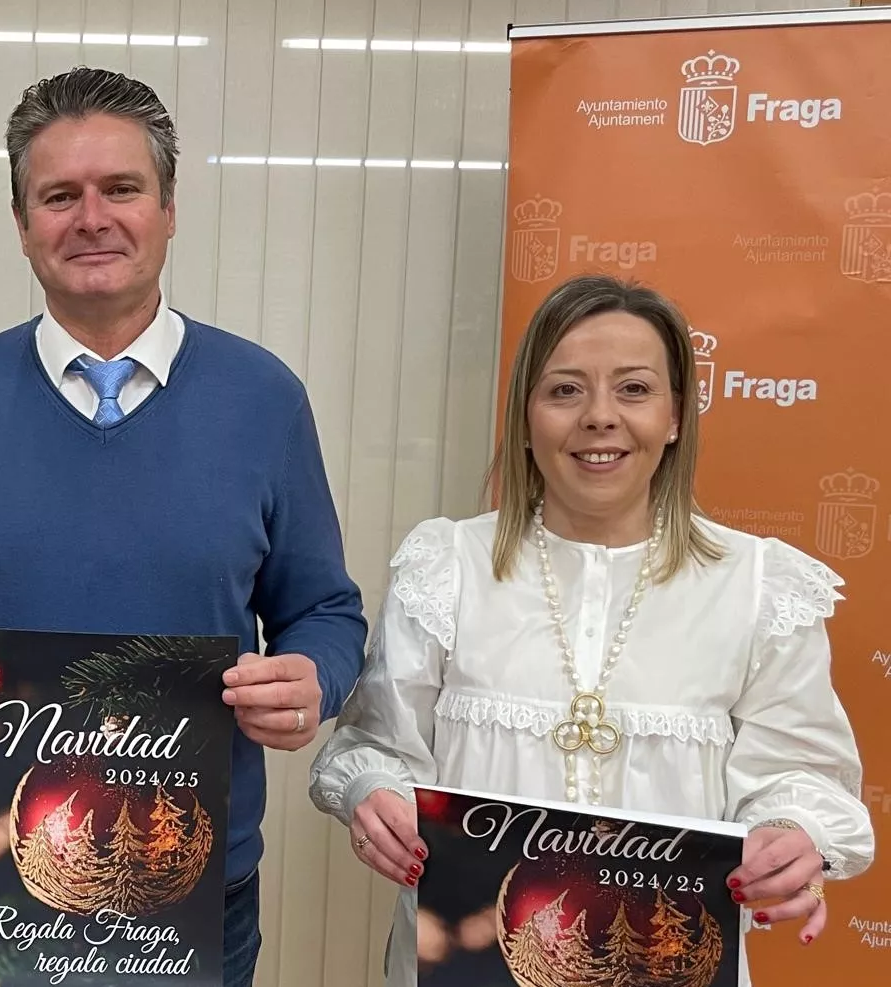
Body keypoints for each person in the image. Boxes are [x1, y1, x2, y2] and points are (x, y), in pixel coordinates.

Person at [0, 66, 367, 985]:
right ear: (21, 223)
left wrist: (313, 678)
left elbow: (325, 611)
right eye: (59, 196)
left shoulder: (264, 398)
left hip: (195, 891)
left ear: (169, 209)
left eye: (121, 188)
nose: (92, 218)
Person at [308, 273, 873, 986]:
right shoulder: (447, 566)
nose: (600, 416)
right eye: (565, 390)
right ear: (524, 417)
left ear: (676, 415)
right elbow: (376, 744)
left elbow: (800, 773)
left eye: (634, 389)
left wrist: (790, 831)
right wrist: (373, 793)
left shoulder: (759, 584)